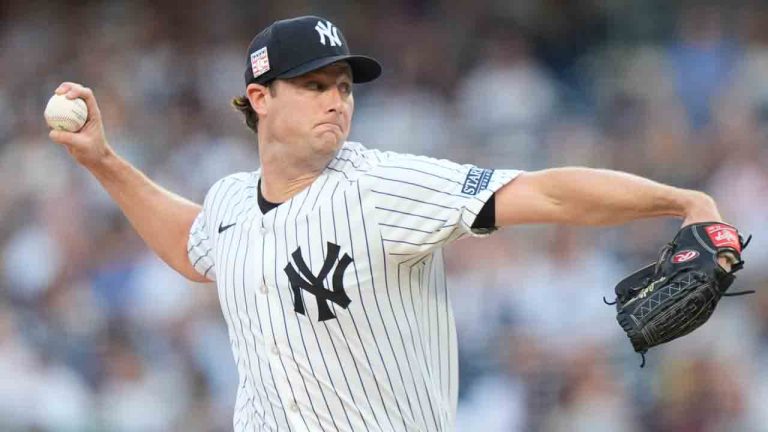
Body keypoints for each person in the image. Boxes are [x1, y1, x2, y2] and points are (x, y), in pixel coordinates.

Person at [48, 15, 732, 432]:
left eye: (344, 86)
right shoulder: (230, 201)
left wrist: (680, 201)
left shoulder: (379, 186)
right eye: (315, 86)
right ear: (260, 98)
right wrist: (104, 161)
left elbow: (545, 193)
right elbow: (193, 246)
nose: (337, 101)